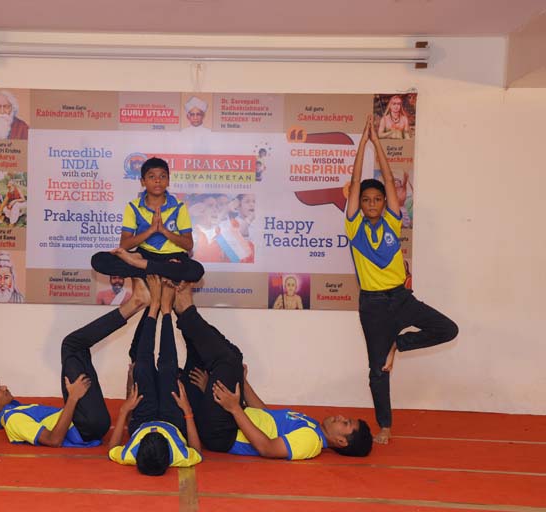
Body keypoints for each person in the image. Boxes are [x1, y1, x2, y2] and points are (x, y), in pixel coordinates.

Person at [346, 115, 458, 444]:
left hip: (401, 298)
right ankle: (385, 426)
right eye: (366, 200)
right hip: (373, 306)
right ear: (360, 203)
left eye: (377, 199)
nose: (371, 203)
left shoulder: (393, 221)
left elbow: (389, 176)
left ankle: (400, 343)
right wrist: (362, 144)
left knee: (448, 329)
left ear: (385, 203)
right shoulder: (353, 226)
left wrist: (377, 143)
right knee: (377, 369)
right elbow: (355, 182)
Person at [173, 283, 373, 459]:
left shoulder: (311, 441)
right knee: (230, 357)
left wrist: (234, 408)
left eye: (345, 423)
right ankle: (180, 310)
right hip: (230, 416)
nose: (340, 417)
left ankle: (185, 310)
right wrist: (242, 383)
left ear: (341, 441)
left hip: (223, 433)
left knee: (229, 360)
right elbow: (265, 414)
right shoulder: (312, 425)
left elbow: (266, 448)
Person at [0, 277, 152, 446]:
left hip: (87, 422)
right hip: (87, 425)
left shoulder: (14, 408)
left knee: (77, 348)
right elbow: (53, 440)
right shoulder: (13, 419)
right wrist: (73, 397)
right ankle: (137, 303)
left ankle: (144, 305)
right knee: (72, 345)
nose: (4, 387)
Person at [108, 276, 202, 475]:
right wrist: (187, 411)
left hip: (143, 419)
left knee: (141, 368)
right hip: (172, 420)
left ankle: (154, 308)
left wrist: (124, 410)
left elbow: (112, 449)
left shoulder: (131, 454)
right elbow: (197, 452)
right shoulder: (178, 456)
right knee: (168, 369)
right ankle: (166, 311)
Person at [91, 157, 204, 283]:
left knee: (196, 270)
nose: (157, 180)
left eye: (162, 176)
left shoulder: (179, 206)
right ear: (143, 182)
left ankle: (141, 266)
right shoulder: (133, 207)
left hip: (173, 257)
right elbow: (124, 245)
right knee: (99, 260)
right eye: (151, 176)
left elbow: (188, 245)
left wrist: (164, 231)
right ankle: (160, 270)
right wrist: (151, 230)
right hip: (145, 254)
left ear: (168, 181)